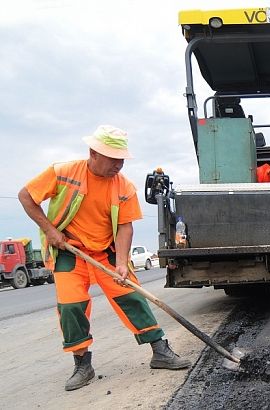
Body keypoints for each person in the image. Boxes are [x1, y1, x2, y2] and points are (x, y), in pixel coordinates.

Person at [18, 125, 191, 391]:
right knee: (70, 306)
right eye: (113, 158)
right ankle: (82, 364)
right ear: (93, 153)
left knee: (132, 296)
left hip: (106, 252)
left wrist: (121, 263)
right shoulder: (63, 173)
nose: (118, 165)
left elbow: (125, 226)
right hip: (70, 252)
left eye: (121, 159)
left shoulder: (124, 187)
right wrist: (51, 231)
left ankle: (160, 351)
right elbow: (26, 196)